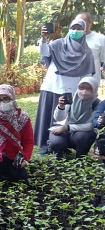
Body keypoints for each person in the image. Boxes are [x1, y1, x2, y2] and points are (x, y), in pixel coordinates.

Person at [35, 19, 95, 154]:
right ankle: (47, 146)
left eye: (79, 28)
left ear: (84, 31)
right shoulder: (57, 44)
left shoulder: (87, 51)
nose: (75, 30)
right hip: (53, 84)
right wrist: (44, 39)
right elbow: (45, 53)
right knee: (48, 116)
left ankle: (62, 145)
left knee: (66, 117)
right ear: (69, 28)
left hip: (73, 89)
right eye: (73, 27)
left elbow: (88, 75)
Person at [48, 77, 100, 158]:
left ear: (94, 90)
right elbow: (59, 118)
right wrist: (61, 107)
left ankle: (81, 157)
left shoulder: (97, 103)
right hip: (68, 130)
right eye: (81, 88)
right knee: (56, 140)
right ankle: (60, 153)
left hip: (84, 132)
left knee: (81, 137)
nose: (84, 92)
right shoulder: (71, 98)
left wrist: (67, 127)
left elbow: (90, 125)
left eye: (89, 89)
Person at [76, 13, 105, 80]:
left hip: (91, 80)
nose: (79, 24)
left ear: (90, 23)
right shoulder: (71, 38)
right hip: (72, 81)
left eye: (82, 22)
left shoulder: (100, 38)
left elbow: (102, 59)